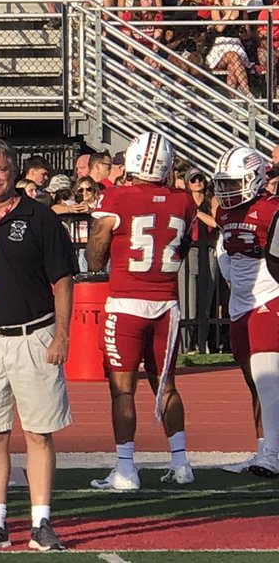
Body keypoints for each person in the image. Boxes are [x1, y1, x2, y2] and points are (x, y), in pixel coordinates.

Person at [0, 139, 75, 551]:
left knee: (39, 434)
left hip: (34, 337)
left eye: (1, 169)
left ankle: (41, 523)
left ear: (14, 172)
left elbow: (62, 280)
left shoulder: (40, 217)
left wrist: (62, 333)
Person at [85, 131, 196, 491]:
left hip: (127, 303)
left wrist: (102, 258)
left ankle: (126, 468)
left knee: (123, 390)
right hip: (167, 305)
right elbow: (185, 245)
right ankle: (180, 463)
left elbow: (96, 253)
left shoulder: (115, 197)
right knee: (167, 387)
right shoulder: (182, 201)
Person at [215, 146, 279, 475]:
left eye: (233, 182)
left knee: (267, 377)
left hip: (269, 295)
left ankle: (273, 454)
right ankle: (263, 449)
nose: (226, 190)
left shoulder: (271, 209)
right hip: (240, 301)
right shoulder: (225, 214)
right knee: (253, 380)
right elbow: (222, 249)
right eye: (223, 183)